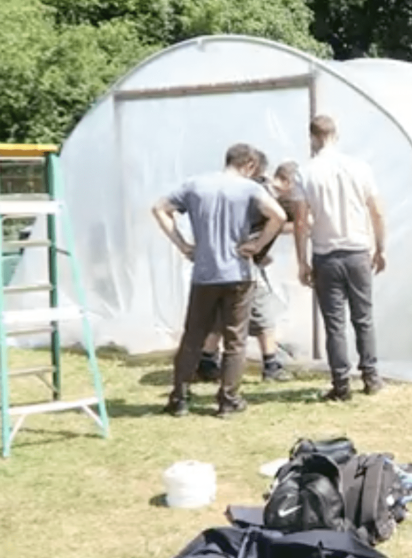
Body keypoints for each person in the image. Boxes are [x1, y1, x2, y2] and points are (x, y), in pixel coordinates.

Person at [151, 143, 287, 417]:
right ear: (249, 164)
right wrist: (258, 245)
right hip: (238, 273)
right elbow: (279, 216)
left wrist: (183, 245)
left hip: (204, 273)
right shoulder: (250, 189)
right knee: (235, 339)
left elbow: (159, 208)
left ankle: (179, 398)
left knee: (193, 336)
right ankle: (228, 400)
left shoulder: (194, 185)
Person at [293, 115, 388, 401]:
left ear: (312, 137)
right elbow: (378, 211)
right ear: (337, 134)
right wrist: (381, 248)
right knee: (363, 318)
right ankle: (371, 376)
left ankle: (341, 384)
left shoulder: (305, 172)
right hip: (358, 251)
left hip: (326, 254)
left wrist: (301, 260)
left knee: (334, 323)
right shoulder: (360, 167)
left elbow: (299, 220)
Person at [196, 155, 299, 384]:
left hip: (221, 261)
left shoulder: (254, 190)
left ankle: (206, 361)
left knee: (223, 313)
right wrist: (259, 245)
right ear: (289, 182)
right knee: (263, 315)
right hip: (241, 264)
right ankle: (271, 366)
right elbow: (274, 221)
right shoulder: (262, 193)